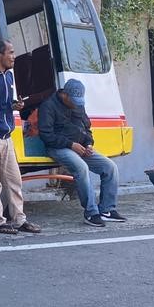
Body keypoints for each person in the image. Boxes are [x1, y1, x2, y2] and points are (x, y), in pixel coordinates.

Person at [0, 39, 42, 235]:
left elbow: (1, 105)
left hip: (6, 136)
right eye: (10, 52)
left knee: (14, 179)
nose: (14, 56)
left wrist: (14, 106)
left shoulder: (8, 76)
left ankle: (19, 219)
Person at [38, 79, 125, 226]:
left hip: (80, 147)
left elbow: (87, 128)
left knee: (110, 167)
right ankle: (91, 213)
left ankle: (106, 210)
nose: (76, 104)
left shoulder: (78, 105)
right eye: (73, 101)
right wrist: (71, 145)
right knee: (81, 168)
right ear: (64, 95)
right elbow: (46, 135)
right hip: (58, 147)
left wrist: (89, 144)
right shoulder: (48, 106)